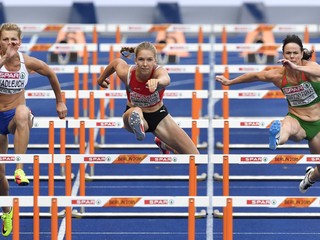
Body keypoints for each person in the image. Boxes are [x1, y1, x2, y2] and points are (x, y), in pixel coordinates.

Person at [216, 34, 320, 194]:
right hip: (297, 118)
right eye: (288, 53)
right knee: (287, 126)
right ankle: (278, 137)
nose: (291, 56)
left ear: (301, 54)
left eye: (295, 53)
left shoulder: (310, 68)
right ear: (282, 54)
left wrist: (297, 67)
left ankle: (310, 177)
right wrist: (230, 82)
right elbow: (256, 75)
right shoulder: (278, 75)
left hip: (318, 125)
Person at [0, 23, 67, 236]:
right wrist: (3, 57)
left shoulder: (26, 62)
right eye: (5, 39)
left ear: (20, 41)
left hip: (14, 117)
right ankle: (7, 210)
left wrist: (59, 102)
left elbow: (51, 74)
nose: (10, 43)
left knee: (22, 111)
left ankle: (19, 168)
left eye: (14, 39)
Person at [97, 41, 199, 155]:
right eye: (141, 59)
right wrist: (100, 79)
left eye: (149, 60)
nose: (145, 64)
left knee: (194, 157)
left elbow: (166, 79)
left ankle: (164, 143)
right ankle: (138, 122)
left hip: (159, 116)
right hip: (131, 115)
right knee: (136, 111)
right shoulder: (128, 74)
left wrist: (157, 81)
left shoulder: (159, 71)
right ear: (135, 60)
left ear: (155, 60)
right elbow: (116, 63)